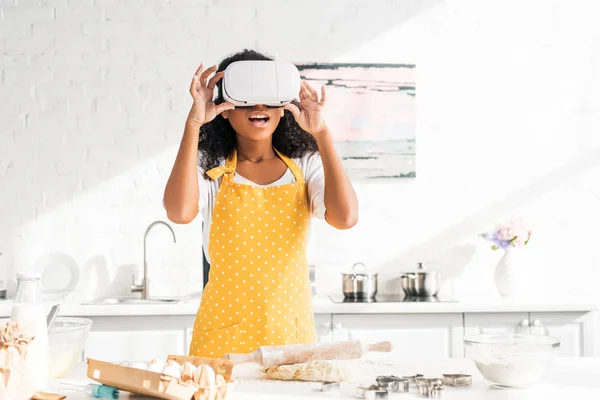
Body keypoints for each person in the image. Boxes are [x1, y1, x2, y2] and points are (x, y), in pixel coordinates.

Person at [163, 49, 358, 358]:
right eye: (245, 97)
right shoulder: (207, 165)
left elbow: (345, 217)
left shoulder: (305, 164)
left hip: (290, 336)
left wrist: (321, 133)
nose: (258, 106)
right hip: (222, 337)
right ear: (224, 108)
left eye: (268, 97)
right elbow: (180, 211)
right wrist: (193, 124)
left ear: (284, 106)